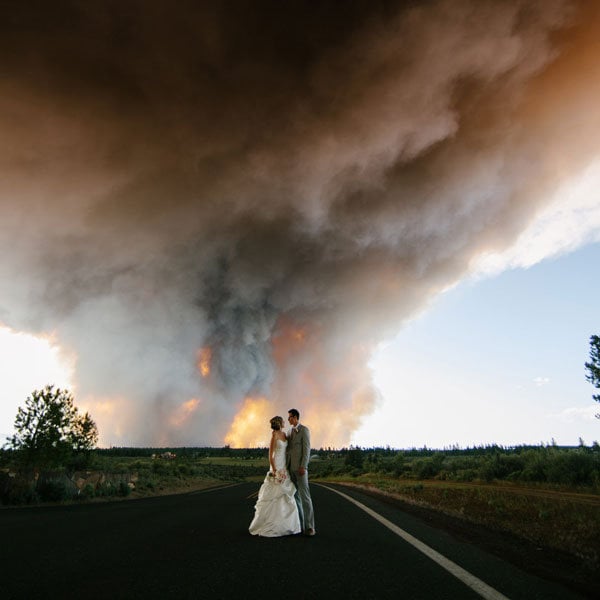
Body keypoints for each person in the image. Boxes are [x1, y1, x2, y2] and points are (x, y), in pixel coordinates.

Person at [249, 416, 301, 537]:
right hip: (277, 466)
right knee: (274, 495)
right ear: (279, 423)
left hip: (284, 465)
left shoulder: (284, 434)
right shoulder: (274, 435)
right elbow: (271, 455)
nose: (285, 422)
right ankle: (271, 524)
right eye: (283, 421)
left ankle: (287, 525)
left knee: (285, 495)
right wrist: (274, 470)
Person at [286, 408, 315, 536]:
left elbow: (307, 450)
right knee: (295, 497)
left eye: (290, 417)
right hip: (291, 469)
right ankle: (301, 525)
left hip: (301, 470)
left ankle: (310, 527)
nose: (289, 419)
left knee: (305, 498)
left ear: (296, 417)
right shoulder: (290, 431)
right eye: (288, 418)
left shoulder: (304, 430)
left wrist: (304, 466)